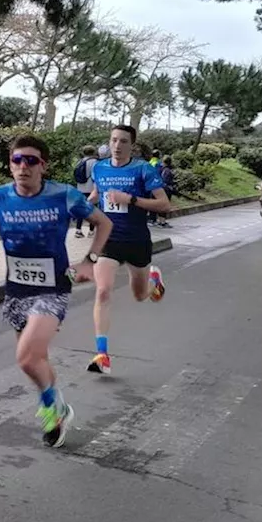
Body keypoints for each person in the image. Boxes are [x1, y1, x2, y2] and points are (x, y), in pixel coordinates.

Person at [0, 134, 112, 448]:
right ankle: (54, 407)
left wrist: (89, 260)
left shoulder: (64, 195)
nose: (23, 166)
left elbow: (104, 223)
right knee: (38, 359)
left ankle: (53, 405)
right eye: (17, 160)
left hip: (53, 288)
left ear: (42, 166)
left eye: (31, 160)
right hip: (16, 290)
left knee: (25, 358)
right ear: (10, 165)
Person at [87, 124, 171, 375]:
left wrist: (130, 199)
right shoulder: (100, 168)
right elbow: (96, 195)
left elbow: (164, 204)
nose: (117, 145)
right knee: (102, 291)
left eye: (123, 141)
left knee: (139, 295)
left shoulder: (143, 169)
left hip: (137, 241)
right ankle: (102, 355)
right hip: (109, 239)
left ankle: (154, 283)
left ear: (131, 145)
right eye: (113, 140)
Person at [72, 145, 97, 238]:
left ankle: (78, 230)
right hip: (92, 190)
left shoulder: (80, 162)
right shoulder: (95, 162)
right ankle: (91, 232)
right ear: (93, 152)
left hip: (80, 189)